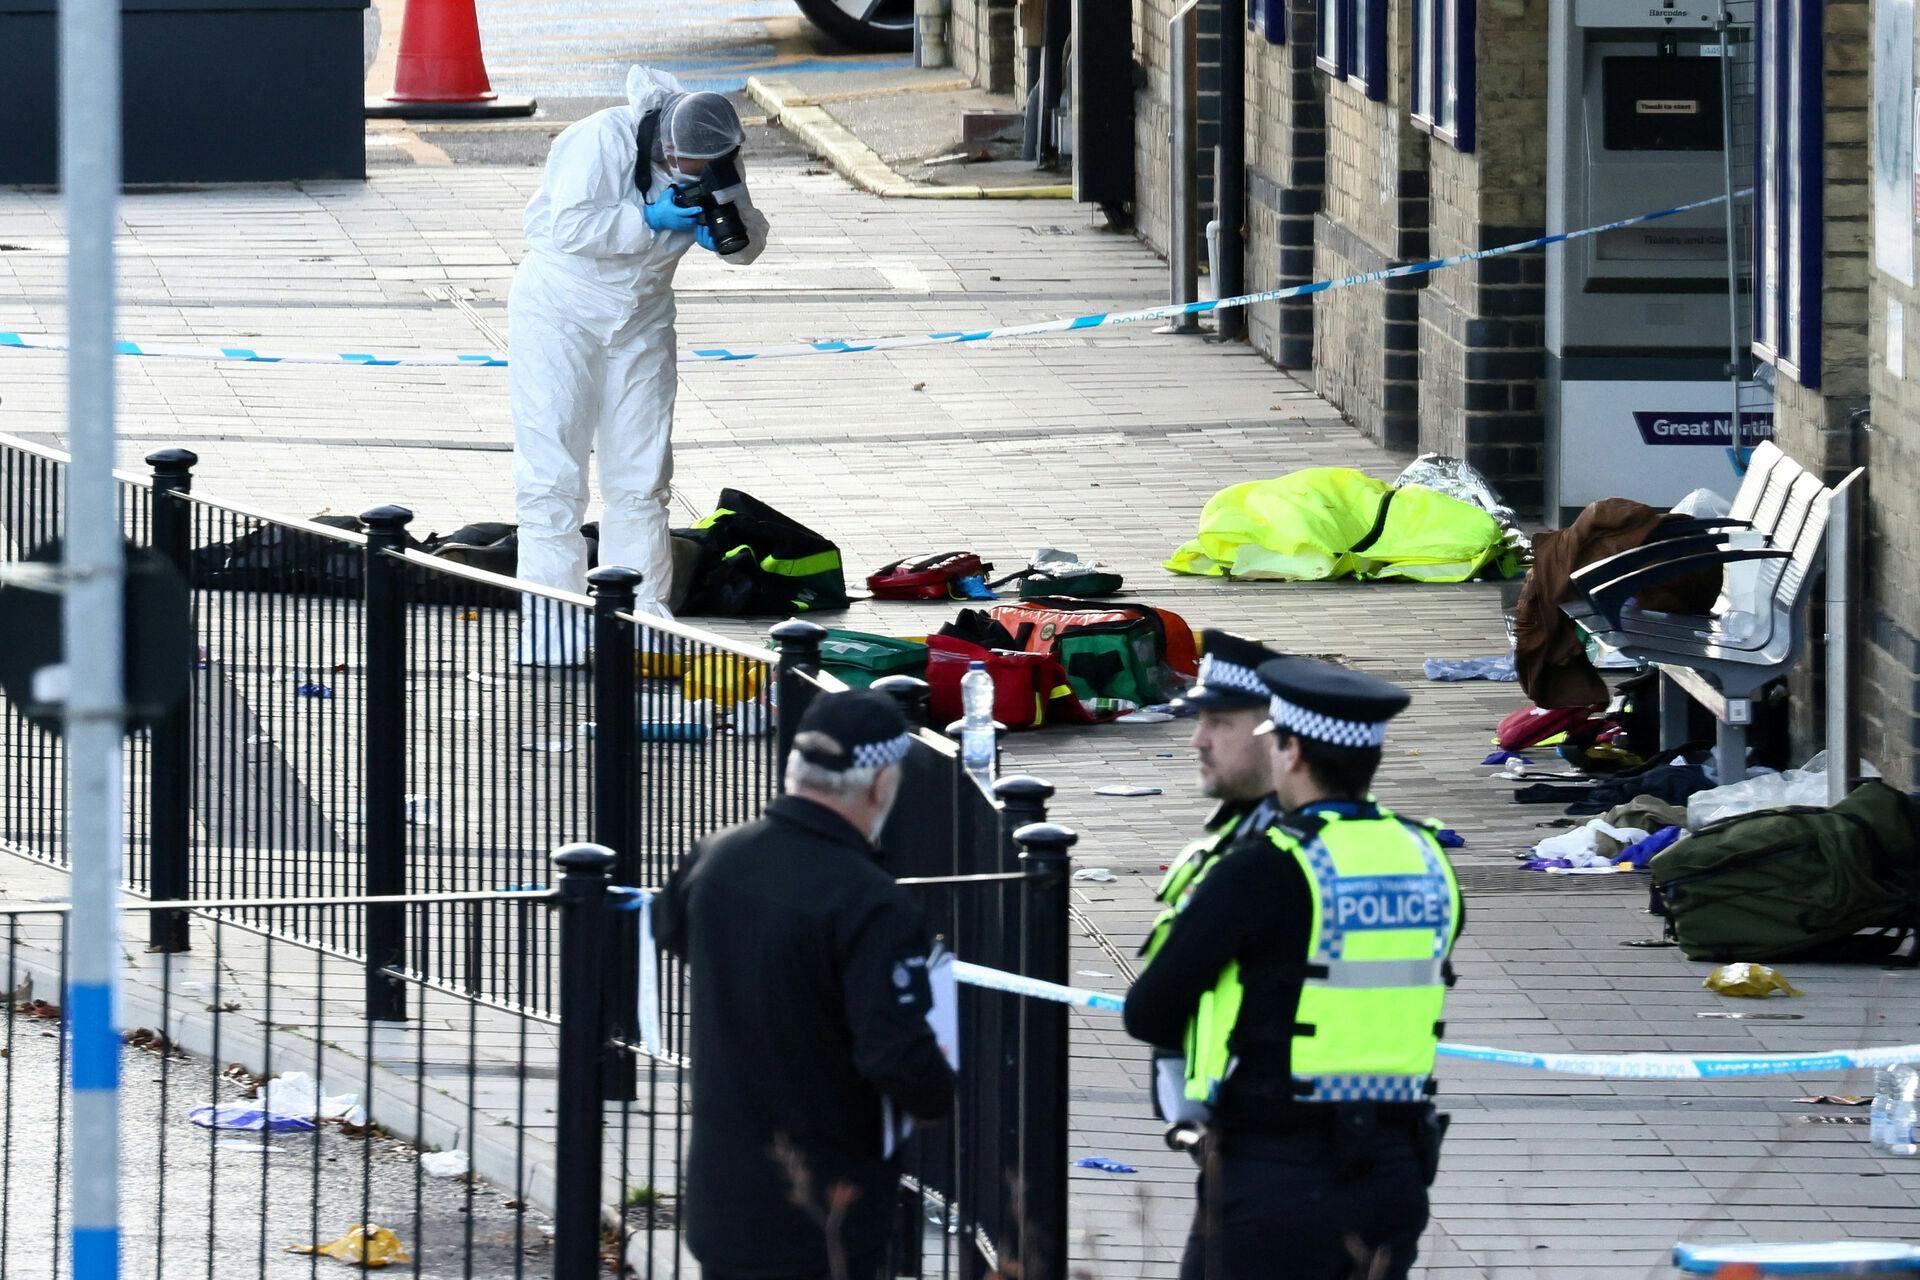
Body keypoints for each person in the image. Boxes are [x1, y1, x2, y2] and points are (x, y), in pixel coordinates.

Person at [1123, 656, 1462, 1280]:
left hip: (1276, 1172)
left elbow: (1149, 1012)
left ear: (1293, 752)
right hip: (1394, 1169)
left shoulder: (1263, 869)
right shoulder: (1427, 858)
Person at [651, 690, 954, 1280]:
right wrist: (938, 1087)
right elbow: (894, 1055)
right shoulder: (869, 901)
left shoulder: (715, 858)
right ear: (881, 783)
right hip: (824, 1213)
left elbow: (671, 929)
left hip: (724, 1199)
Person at [509, 66, 770, 662]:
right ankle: (553, 629)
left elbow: (749, 243)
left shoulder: (714, 154)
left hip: (642, 320)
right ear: (664, 144)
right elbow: (566, 227)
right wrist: (647, 220)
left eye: (709, 168)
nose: (695, 175)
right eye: (687, 166)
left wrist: (726, 229)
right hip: (560, 312)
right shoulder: (601, 138)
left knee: (642, 477)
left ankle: (642, 621)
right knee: (552, 474)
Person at [1140, 631, 1285, 1123]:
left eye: (1220, 722)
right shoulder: (1239, 833)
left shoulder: (1270, 856)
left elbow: (1150, 1008)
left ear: (1277, 734)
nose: (1199, 739)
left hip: (1269, 1137)